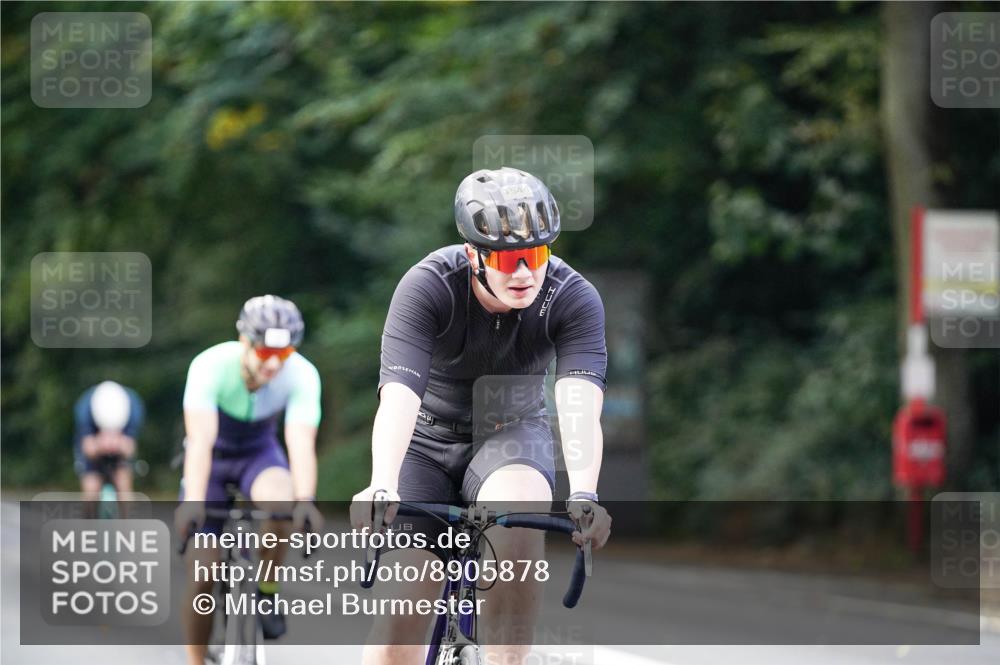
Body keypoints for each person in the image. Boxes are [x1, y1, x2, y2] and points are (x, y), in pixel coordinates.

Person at [350, 167, 613, 665]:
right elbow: (400, 394)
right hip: (426, 443)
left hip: (511, 437)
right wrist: (381, 483)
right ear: (474, 255)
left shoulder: (573, 296)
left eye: (536, 256)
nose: (524, 274)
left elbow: (578, 401)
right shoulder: (429, 286)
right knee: (398, 633)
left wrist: (584, 492)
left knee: (518, 512)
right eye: (511, 259)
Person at [175, 295, 323, 665]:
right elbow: (200, 443)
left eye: (284, 353)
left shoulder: (302, 373)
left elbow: (300, 442)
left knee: (283, 504)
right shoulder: (209, 365)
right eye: (264, 352)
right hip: (213, 457)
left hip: (258, 453)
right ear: (245, 341)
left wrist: (306, 500)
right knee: (202, 575)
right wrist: (192, 502)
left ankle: (266, 588)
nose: (274, 363)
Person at [73, 380, 144, 501]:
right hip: (95, 447)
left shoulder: (133, 406)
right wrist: (99, 445)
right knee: (91, 489)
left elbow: (130, 448)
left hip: (120, 448)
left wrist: (120, 445)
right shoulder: (85, 407)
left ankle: (127, 518)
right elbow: (87, 447)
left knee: (124, 487)